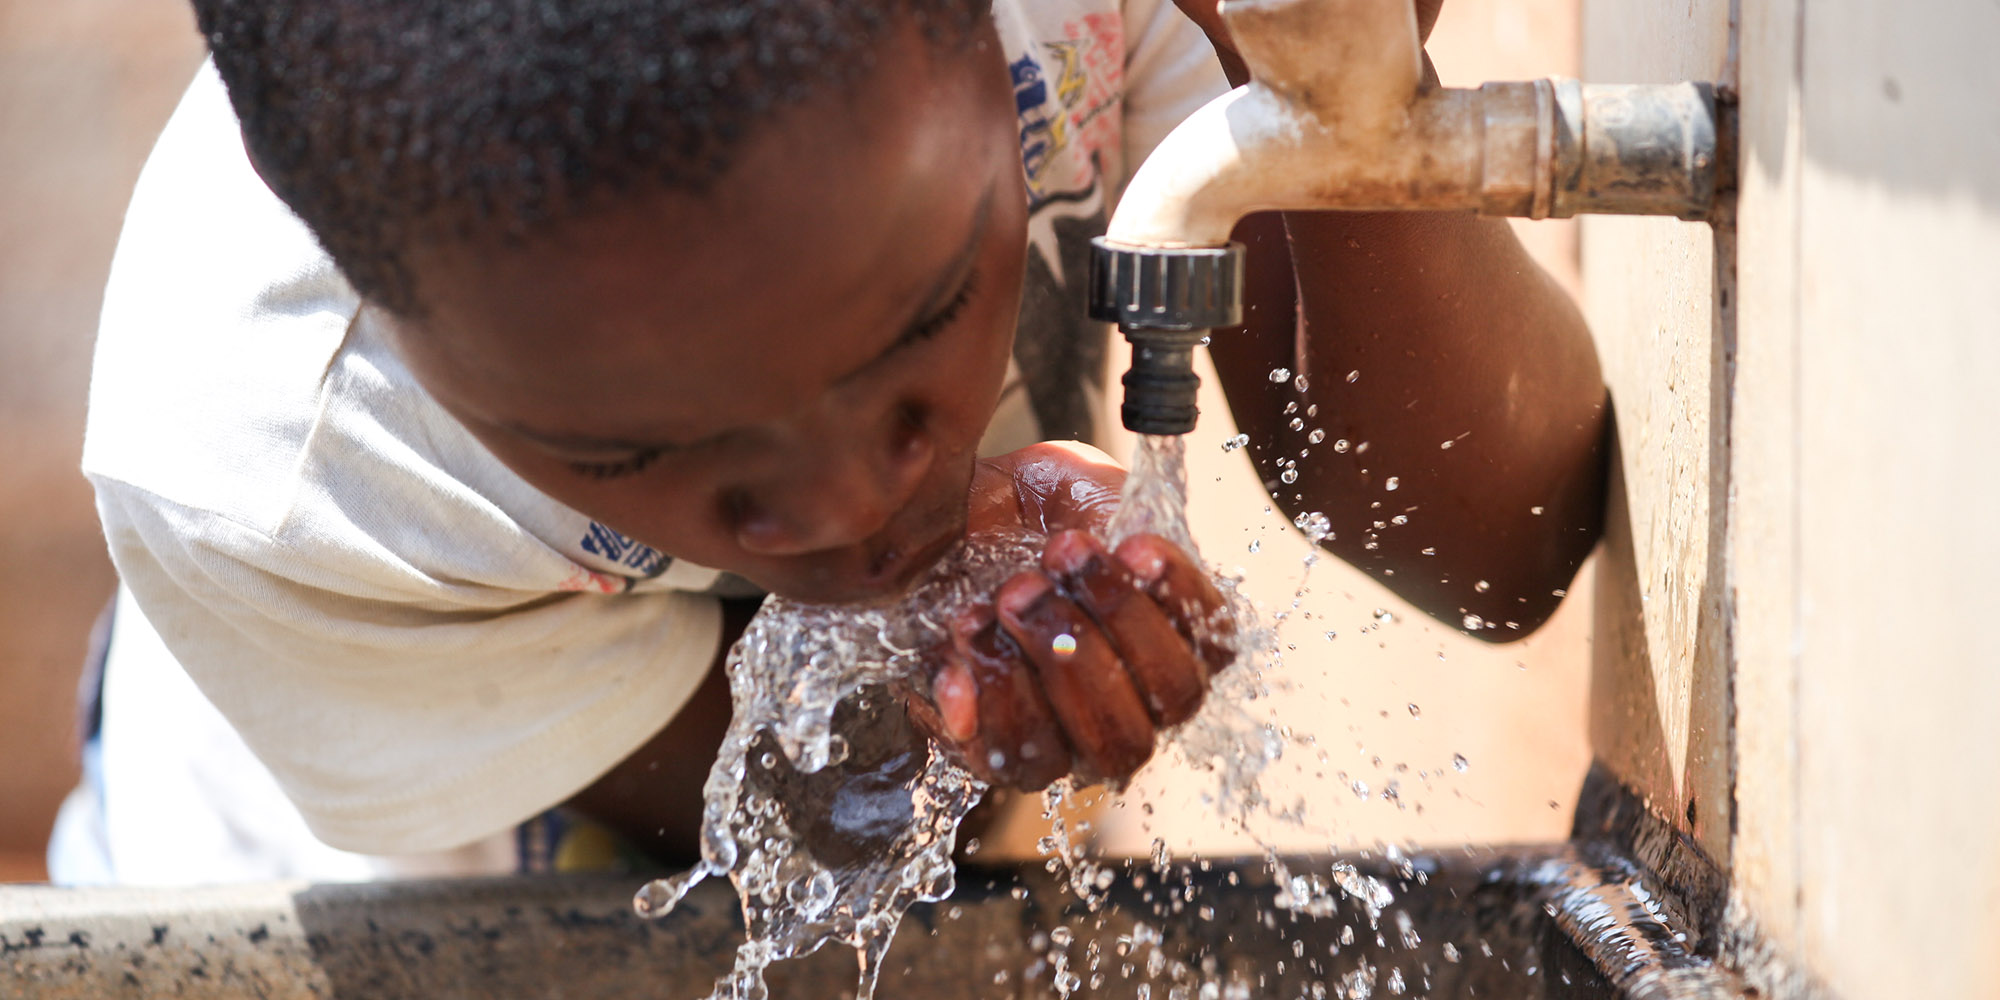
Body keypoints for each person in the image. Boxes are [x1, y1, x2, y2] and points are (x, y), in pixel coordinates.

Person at [52, 0, 1604, 885]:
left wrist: (1334, 85)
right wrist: (946, 691)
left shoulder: (1079, 14)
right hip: (348, 922)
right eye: (631, 456)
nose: (864, 498)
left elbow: (1500, 542)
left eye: (924, 320)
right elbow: (795, 834)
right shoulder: (272, 474)